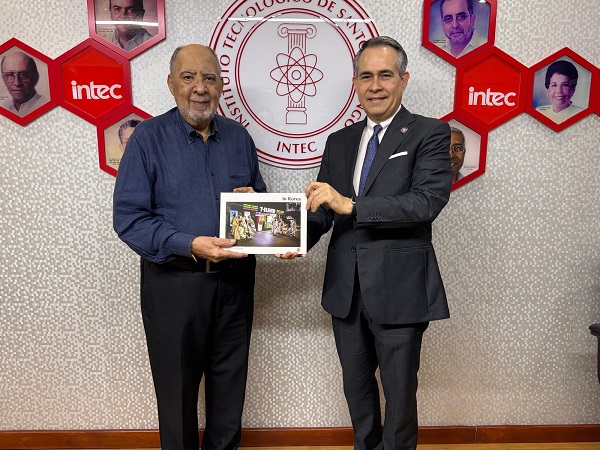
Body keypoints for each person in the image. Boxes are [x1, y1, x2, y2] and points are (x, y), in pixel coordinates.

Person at [278, 36, 452, 450]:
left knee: (400, 399)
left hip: (399, 291)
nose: (375, 86)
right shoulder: (339, 141)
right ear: (355, 82)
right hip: (346, 292)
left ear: (403, 80)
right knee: (358, 396)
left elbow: (425, 202)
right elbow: (324, 210)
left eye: (385, 75)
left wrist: (351, 205)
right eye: (366, 76)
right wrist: (288, 235)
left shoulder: (429, 132)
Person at [113, 44, 267, 450]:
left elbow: (258, 208)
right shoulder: (147, 139)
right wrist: (190, 245)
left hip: (234, 286)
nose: (200, 88)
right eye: (188, 77)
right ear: (171, 83)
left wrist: (270, 226)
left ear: (221, 86)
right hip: (173, 286)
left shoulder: (239, 139)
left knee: (229, 394)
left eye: (209, 78)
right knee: (177, 396)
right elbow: (129, 219)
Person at [0, 50, 49, 116]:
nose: (17, 83)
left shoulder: (47, 106)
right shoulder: (4, 107)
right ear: (4, 79)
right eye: (10, 75)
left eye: (23, 75)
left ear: (36, 77)